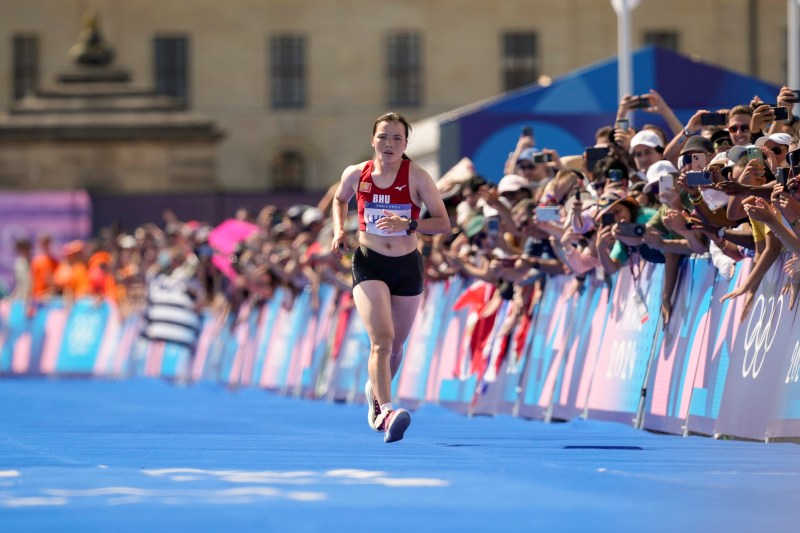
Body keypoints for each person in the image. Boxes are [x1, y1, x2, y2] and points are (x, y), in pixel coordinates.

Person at [330, 112, 450, 443]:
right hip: (369, 263)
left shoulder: (418, 177)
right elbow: (339, 199)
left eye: (397, 138)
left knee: (396, 347)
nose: (389, 144)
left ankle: (375, 391)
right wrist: (339, 230)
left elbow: (443, 223)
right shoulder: (356, 174)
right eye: (383, 137)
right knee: (381, 340)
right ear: (373, 140)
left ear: (405, 144)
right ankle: (386, 411)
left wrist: (409, 224)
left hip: (407, 266)